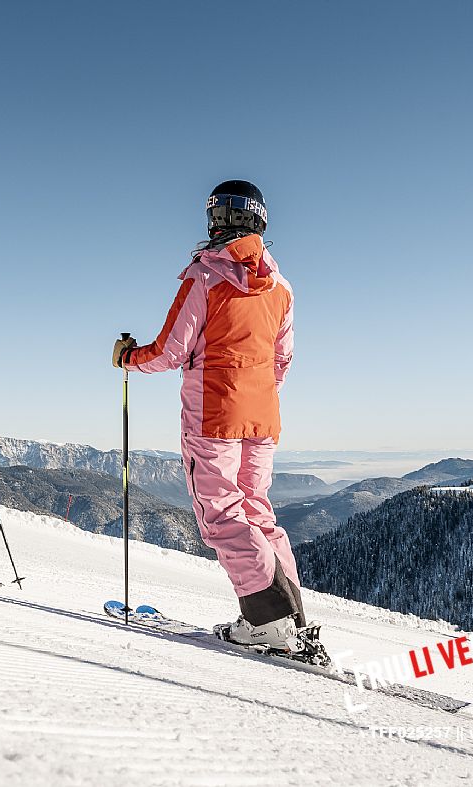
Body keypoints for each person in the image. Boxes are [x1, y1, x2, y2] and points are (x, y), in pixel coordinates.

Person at [112, 180, 312, 654]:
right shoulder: (281, 287)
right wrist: (257, 394)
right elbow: (282, 359)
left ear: (216, 220)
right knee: (256, 509)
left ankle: (268, 621)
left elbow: (169, 350)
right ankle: (291, 617)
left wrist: (127, 358)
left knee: (221, 514)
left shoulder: (205, 277)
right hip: (263, 415)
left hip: (214, 412)